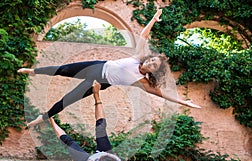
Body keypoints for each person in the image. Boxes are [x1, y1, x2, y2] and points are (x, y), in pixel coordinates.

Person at [18, 9, 201, 127]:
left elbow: (162, 94)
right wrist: (153, 18)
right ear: (148, 58)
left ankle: (41, 119)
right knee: (63, 69)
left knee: (68, 99)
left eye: (154, 65)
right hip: (96, 66)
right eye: (152, 60)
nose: (150, 63)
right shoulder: (137, 58)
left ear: (153, 71)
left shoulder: (142, 82)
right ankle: (32, 71)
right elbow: (144, 35)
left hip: (101, 81)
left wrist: (184, 102)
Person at [13, 83, 194, 161]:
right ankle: (96, 95)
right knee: (101, 129)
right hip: (107, 160)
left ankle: (51, 119)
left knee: (69, 142)